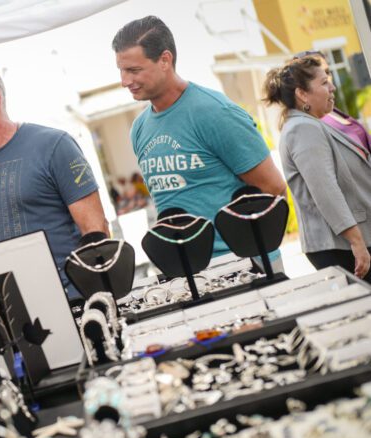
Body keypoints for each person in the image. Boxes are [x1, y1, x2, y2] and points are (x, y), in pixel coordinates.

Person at [112, 16, 286, 260]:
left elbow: (273, 188)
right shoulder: (139, 128)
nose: (124, 81)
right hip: (187, 271)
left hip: (244, 264)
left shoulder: (214, 112)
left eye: (133, 70)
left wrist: (248, 253)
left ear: (165, 60)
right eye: (121, 70)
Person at [0, 65, 108, 293]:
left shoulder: (54, 145)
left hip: (74, 302)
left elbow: (96, 230)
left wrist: (96, 300)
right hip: (15, 315)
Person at [264, 55, 371, 281]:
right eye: (323, 83)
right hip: (342, 247)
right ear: (302, 94)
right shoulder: (302, 128)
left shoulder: (308, 124)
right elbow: (325, 189)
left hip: (347, 243)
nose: (332, 87)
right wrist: (357, 241)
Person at [294, 50, 371, 152]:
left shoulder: (332, 110)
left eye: (328, 72)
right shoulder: (310, 125)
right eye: (321, 76)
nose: (328, 80)